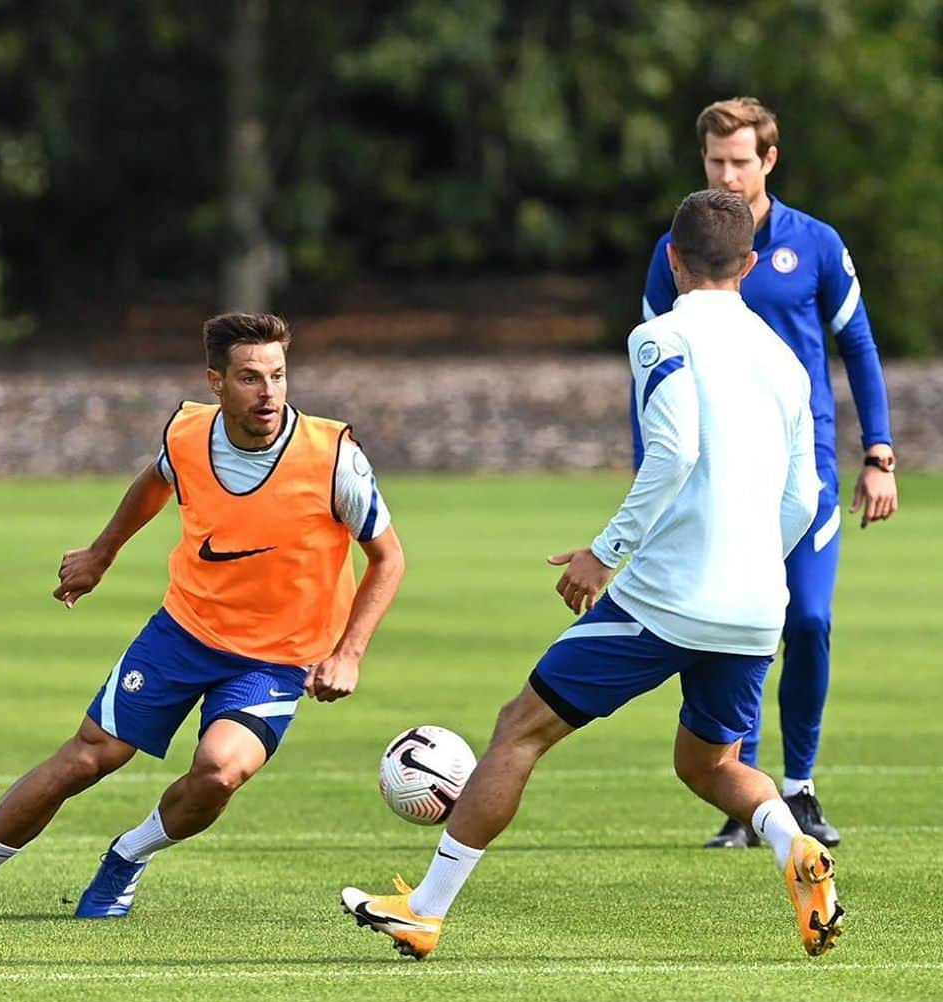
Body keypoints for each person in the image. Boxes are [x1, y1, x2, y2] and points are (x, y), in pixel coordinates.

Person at [341, 190, 843, 960]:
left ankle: (424, 910)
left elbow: (673, 452)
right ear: (747, 265)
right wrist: (747, 566)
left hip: (666, 600)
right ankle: (792, 845)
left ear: (671, 259)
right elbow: (805, 496)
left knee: (520, 728)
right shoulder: (784, 360)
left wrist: (604, 551)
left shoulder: (659, 335)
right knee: (708, 763)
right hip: (754, 606)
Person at [0, 311, 405, 922]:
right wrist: (100, 554)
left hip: (277, 658)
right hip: (183, 633)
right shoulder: (189, 434)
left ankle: (127, 857)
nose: (268, 392)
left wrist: (348, 653)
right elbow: (155, 480)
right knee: (89, 757)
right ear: (216, 382)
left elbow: (388, 558)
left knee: (219, 772)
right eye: (250, 378)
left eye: (277, 375)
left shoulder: (333, 458)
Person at [636, 97, 898, 849]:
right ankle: (742, 791)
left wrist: (877, 451)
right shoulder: (676, 251)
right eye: (715, 161)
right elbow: (650, 371)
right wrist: (645, 477)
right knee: (727, 629)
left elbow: (862, 349)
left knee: (808, 620)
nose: (726, 173)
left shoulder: (814, 245)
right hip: (711, 484)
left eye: (740, 161)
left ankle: (801, 787)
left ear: (768, 161)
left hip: (802, 473)